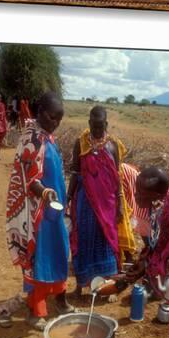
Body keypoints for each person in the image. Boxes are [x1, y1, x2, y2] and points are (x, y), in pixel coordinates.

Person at [6, 92, 74, 330]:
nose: (56, 122)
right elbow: (27, 178)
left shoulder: (47, 136)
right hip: (37, 214)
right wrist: (45, 193)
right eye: (53, 117)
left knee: (59, 252)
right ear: (40, 112)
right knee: (40, 259)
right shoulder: (31, 138)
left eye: (60, 119)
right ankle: (35, 310)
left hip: (53, 211)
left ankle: (61, 300)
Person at [67, 106, 135, 296]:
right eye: (94, 126)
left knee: (107, 242)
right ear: (89, 123)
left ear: (106, 124)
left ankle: (108, 287)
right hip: (85, 201)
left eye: (101, 126)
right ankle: (80, 286)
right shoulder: (80, 144)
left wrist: (120, 204)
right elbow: (75, 172)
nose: (97, 131)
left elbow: (117, 178)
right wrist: (68, 197)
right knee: (82, 240)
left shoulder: (113, 146)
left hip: (108, 204)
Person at [126, 166, 169, 314]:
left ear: (154, 195)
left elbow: (166, 256)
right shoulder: (161, 202)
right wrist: (143, 260)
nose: (135, 196)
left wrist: (146, 267)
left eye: (140, 193)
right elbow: (156, 241)